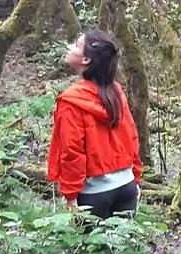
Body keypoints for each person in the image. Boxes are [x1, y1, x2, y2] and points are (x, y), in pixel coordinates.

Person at [47, 30, 142, 219]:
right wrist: (135, 178)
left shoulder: (71, 101)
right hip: (127, 187)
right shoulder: (115, 92)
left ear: (86, 60)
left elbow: (71, 152)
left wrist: (70, 196)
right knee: (123, 239)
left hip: (94, 193)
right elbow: (131, 137)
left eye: (76, 45)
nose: (69, 47)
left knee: (91, 240)